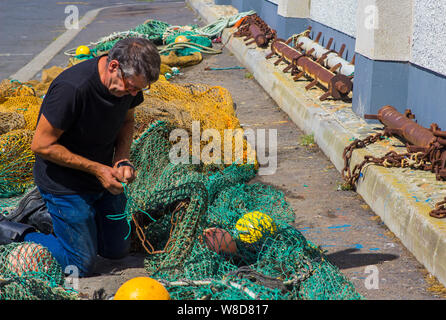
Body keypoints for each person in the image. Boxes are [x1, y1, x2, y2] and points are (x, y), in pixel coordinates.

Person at [0, 38, 161, 277]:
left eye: (139, 89)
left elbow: (127, 121)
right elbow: (41, 145)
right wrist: (99, 170)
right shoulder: (72, 88)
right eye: (130, 87)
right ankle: (12, 230)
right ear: (114, 66)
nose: (134, 93)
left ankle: (55, 220)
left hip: (102, 178)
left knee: (116, 251)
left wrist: (122, 160)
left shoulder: (129, 85)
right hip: (63, 182)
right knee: (80, 265)